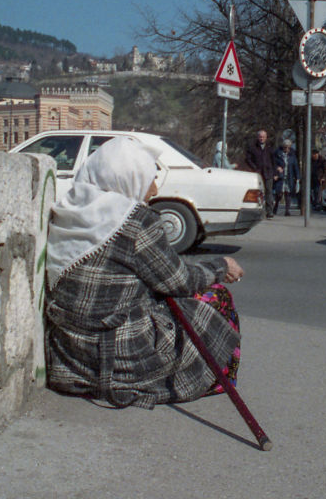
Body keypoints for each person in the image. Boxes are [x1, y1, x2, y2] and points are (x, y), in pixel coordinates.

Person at [44, 137, 246, 409]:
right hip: (117, 359)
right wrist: (222, 267)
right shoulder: (135, 221)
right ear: (127, 178)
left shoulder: (67, 210)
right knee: (215, 296)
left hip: (70, 360)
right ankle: (216, 378)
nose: (153, 189)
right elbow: (180, 281)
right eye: (149, 178)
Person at [245, 129, 276, 218]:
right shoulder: (253, 147)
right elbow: (248, 159)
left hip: (268, 173)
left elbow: (274, 161)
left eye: (263, 137)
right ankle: (258, 211)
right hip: (258, 173)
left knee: (269, 192)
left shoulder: (270, 148)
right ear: (257, 137)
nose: (261, 138)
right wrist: (254, 168)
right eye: (260, 137)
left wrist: (275, 172)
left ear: (266, 138)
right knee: (258, 193)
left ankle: (269, 212)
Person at [273, 138, 300, 216]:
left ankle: (287, 211)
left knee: (288, 193)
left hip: (289, 177)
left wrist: (297, 177)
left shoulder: (292, 155)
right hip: (280, 177)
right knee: (279, 193)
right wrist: (277, 168)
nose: (287, 149)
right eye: (285, 147)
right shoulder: (278, 154)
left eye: (288, 147)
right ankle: (275, 206)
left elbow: (295, 166)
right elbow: (273, 163)